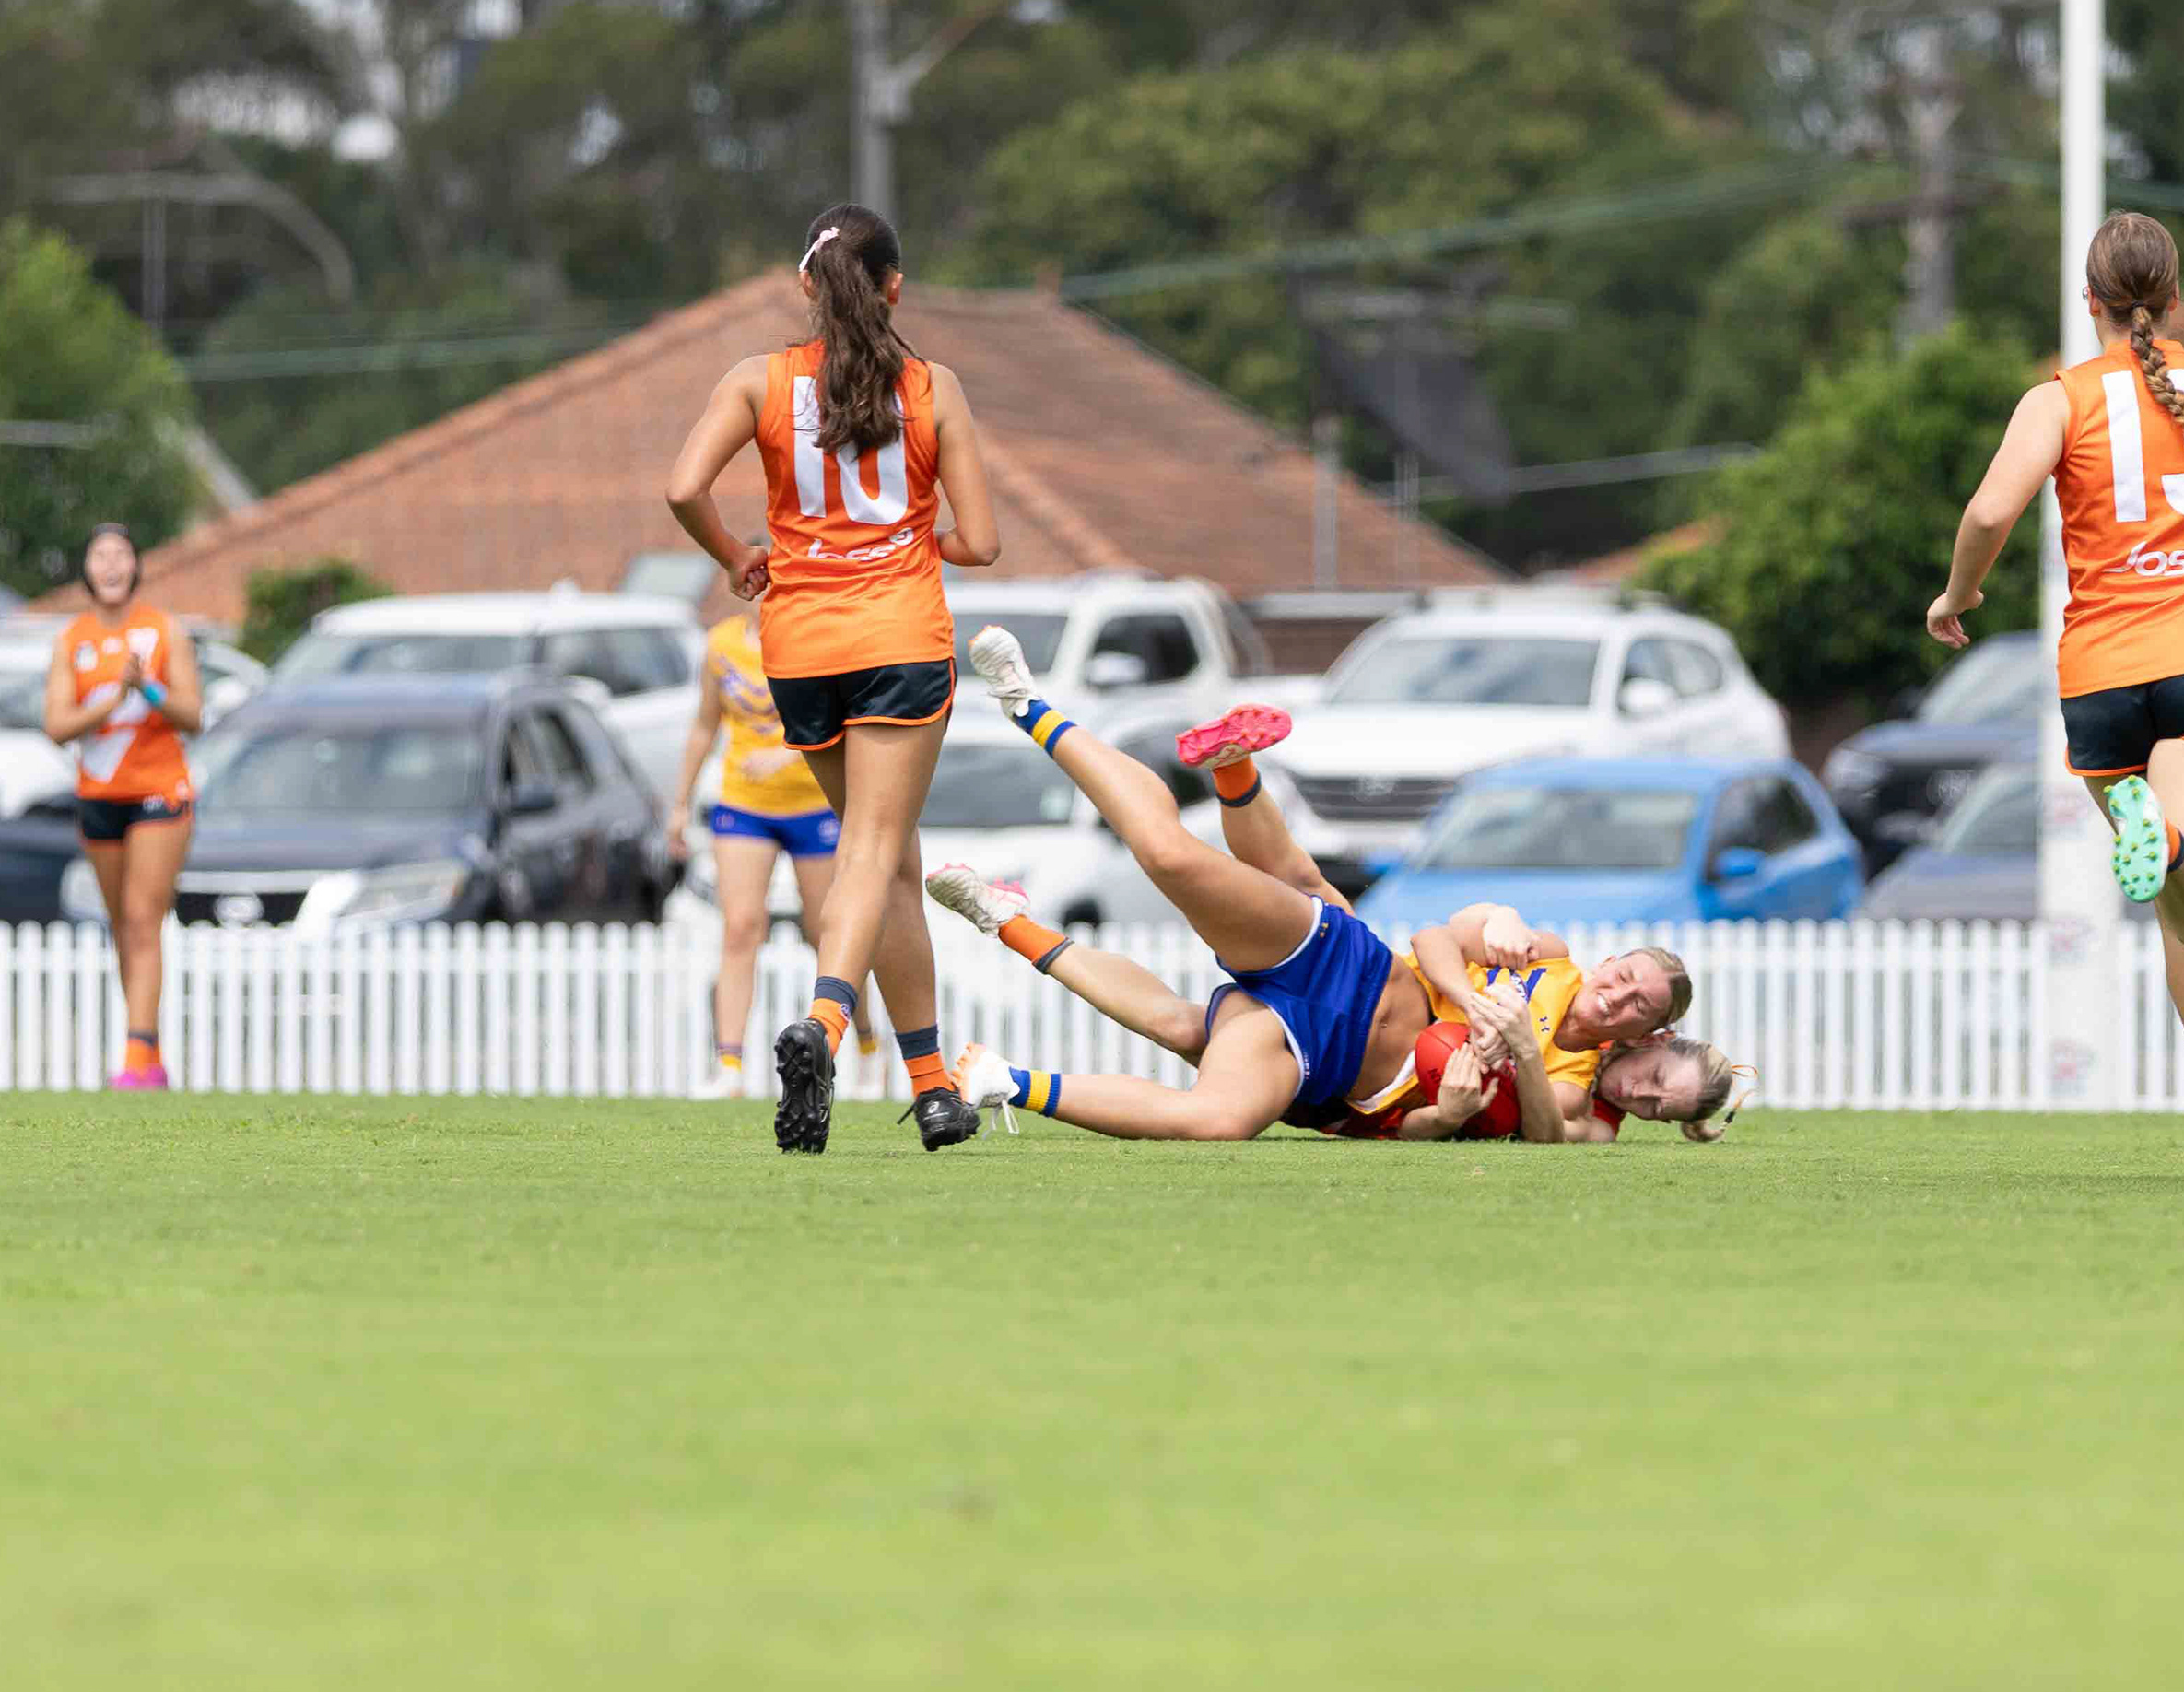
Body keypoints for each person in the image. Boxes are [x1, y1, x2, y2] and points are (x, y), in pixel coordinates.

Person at [1924, 210, 2184, 1189]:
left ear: (2089, 301)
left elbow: (1989, 509)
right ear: (2176, 298)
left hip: (2101, 681)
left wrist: (1958, 594)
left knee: (2178, 921)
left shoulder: (2057, 399)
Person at [928, 648, 1688, 1140]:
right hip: (1346, 968)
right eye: (1626, 977)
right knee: (1174, 859)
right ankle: (1031, 707)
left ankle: (1003, 1069)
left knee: (1211, 1106)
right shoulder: (1551, 961)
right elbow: (1434, 937)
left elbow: (1521, 1137)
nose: (1618, 997)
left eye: (1637, 1007)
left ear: (1647, 1033)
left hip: (1317, 1063)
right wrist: (1480, 978)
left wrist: (1470, 1092)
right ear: (1612, 960)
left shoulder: (1577, 1095)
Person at [661, 203, 998, 1154]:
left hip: (800, 649)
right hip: (900, 638)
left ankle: (933, 1088)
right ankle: (827, 1023)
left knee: (891, 862)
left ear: (806, 285)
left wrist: (736, 556)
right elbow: (981, 541)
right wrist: (912, 541)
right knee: (873, 850)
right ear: (896, 287)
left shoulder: (757, 380)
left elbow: (682, 487)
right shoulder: (933, 387)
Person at [664, 600, 882, 1097]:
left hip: (812, 803)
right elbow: (704, 725)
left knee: (828, 933)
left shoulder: (813, 637)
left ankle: (869, 1048)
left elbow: (839, 718)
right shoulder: (721, 643)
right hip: (744, 804)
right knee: (741, 927)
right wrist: (680, 803)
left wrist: (784, 756)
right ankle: (729, 1067)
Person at [42, 523, 203, 1091]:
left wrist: (148, 689)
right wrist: (113, 698)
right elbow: (57, 725)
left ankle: (137, 1058)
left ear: (136, 565)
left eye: (121, 555)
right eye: (100, 555)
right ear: (87, 569)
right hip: (99, 796)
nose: (111, 565)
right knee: (121, 925)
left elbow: (193, 715)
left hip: (158, 790)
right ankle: (148, 1053)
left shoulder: (163, 630)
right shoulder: (72, 640)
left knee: (142, 918)